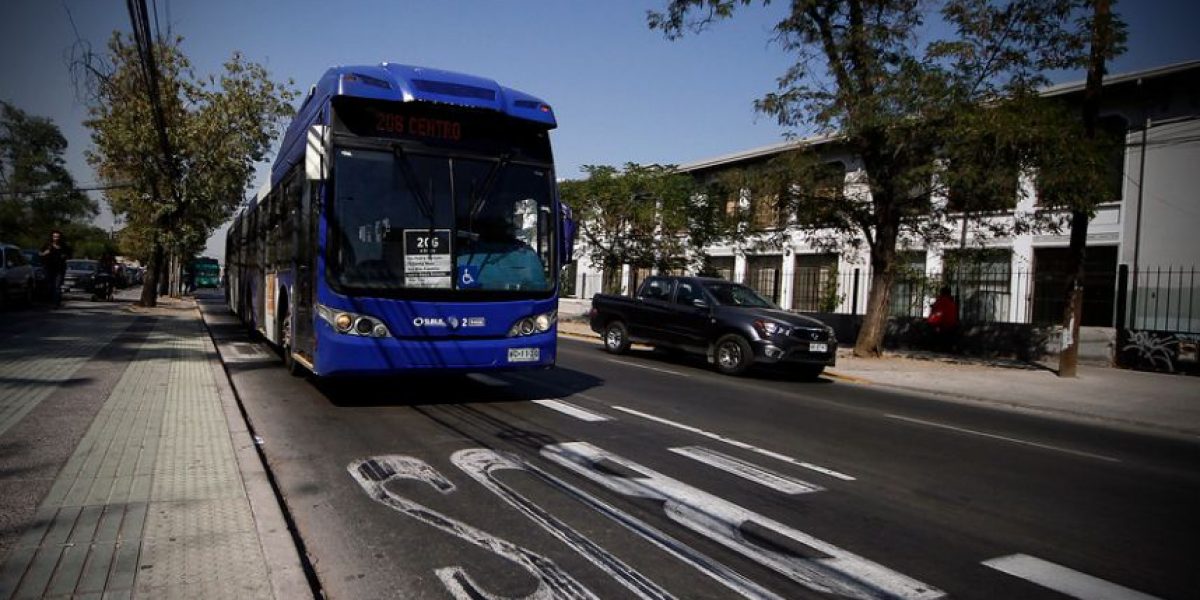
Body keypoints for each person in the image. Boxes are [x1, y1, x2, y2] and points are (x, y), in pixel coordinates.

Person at [39, 230, 71, 307]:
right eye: (55, 237)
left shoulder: (63, 246)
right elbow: (40, 253)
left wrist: (65, 256)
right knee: (50, 286)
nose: (56, 238)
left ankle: (56, 303)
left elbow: (69, 254)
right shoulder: (47, 245)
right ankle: (49, 301)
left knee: (57, 286)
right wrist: (44, 253)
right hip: (49, 268)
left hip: (59, 269)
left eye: (58, 237)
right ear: (52, 237)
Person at [927, 285, 959, 352]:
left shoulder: (941, 300)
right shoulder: (951, 301)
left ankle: (934, 346)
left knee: (931, 328)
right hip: (952, 324)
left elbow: (937, 313)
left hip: (943, 324)